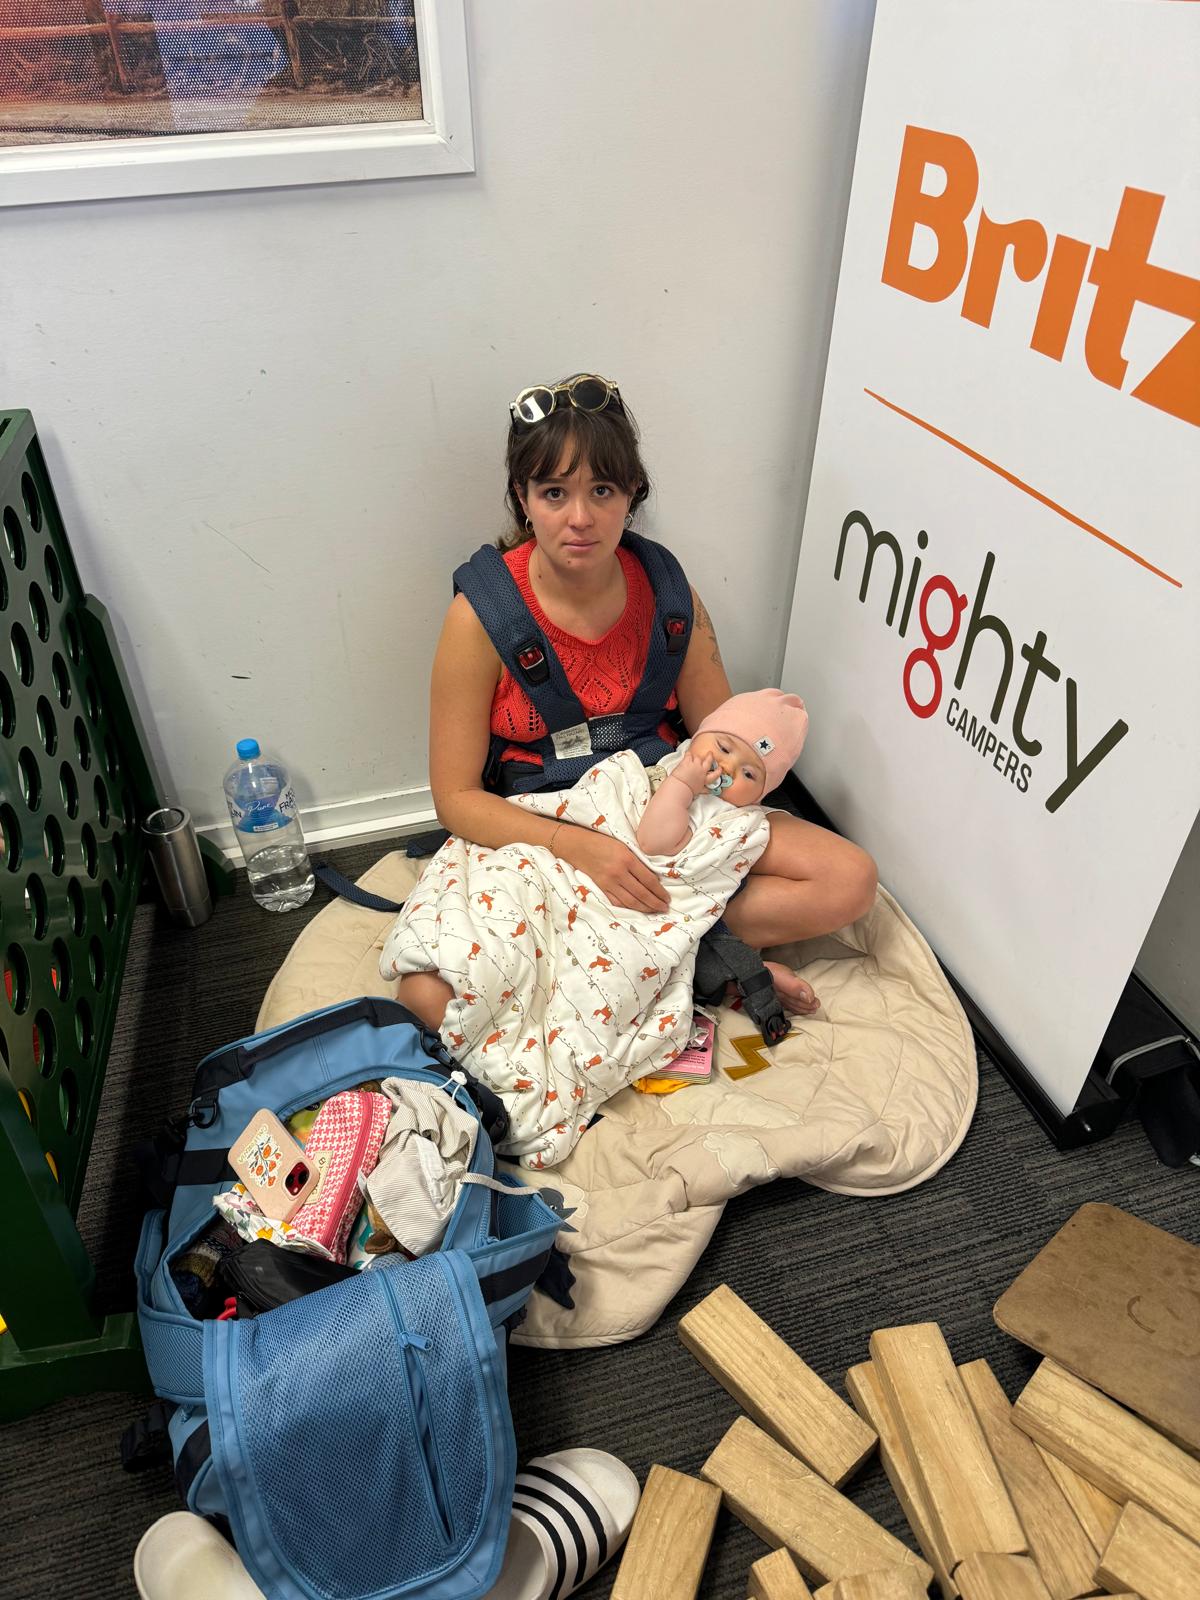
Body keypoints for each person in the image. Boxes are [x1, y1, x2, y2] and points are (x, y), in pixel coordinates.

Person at [399, 373, 876, 1033]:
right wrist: (583, 850)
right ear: (523, 498)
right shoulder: (481, 614)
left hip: (662, 799)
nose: (580, 518)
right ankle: (695, 957)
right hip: (543, 819)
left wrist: (726, 779)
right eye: (554, 492)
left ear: (632, 494)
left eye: (602, 490)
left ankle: (650, 953)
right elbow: (456, 799)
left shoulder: (668, 593)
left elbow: (721, 740)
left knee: (849, 879)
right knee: (426, 997)